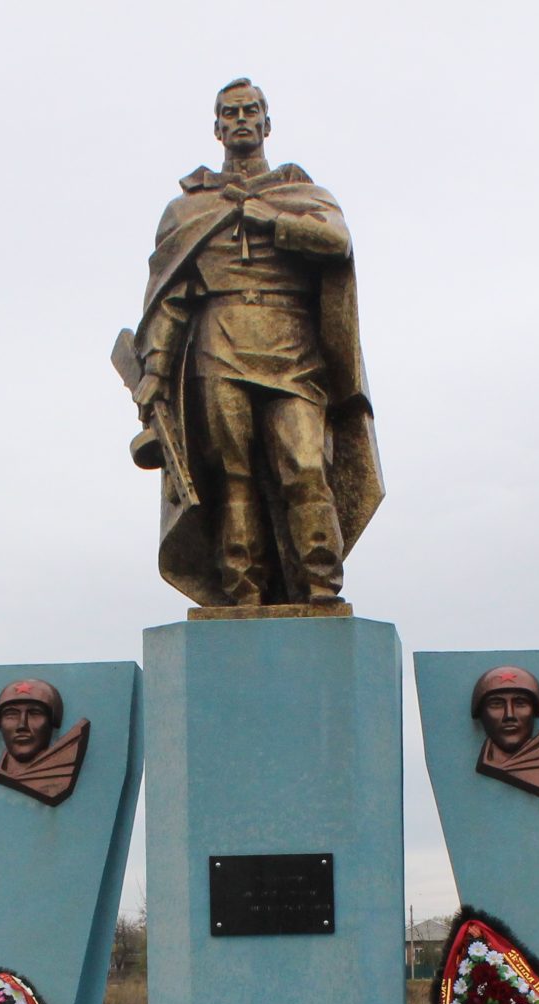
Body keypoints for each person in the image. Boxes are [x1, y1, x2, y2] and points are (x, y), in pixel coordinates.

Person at [128, 78, 382, 608]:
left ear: (267, 124)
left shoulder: (302, 195)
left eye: (250, 111)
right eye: (230, 113)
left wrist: (273, 220)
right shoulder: (187, 209)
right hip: (217, 344)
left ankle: (320, 586)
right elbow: (173, 297)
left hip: (293, 344)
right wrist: (155, 370)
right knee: (232, 476)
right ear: (217, 128)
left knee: (306, 466)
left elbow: (337, 241)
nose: (241, 119)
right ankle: (242, 592)